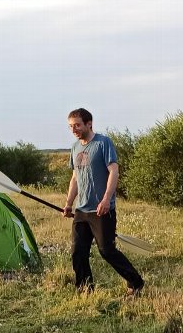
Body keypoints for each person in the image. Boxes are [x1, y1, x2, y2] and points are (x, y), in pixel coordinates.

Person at [62, 108, 145, 296]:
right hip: (82, 210)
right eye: (70, 126)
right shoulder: (75, 147)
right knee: (78, 252)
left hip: (102, 209)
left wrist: (107, 199)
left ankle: (136, 282)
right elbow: (75, 178)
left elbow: (114, 171)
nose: (74, 129)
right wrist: (68, 203)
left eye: (77, 125)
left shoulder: (103, 143)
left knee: (107, 251)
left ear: (89, 123)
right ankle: (85, 289)